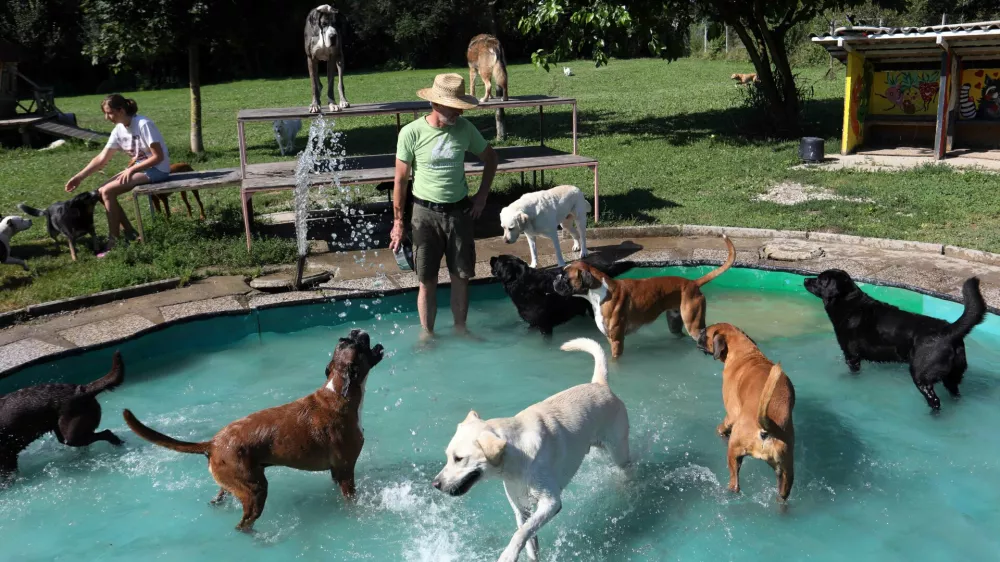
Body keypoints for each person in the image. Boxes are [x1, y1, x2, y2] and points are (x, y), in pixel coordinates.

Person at [389, 73, 499, 340]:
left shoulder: (465, 129)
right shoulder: (411, 133)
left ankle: (461, 330)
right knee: (426, 280)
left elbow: (491, 158)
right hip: (424, 215)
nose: (460, 112)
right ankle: (427, 336)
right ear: (436, 104)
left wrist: (482, 196)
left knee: (461, 276)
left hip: (459, 212)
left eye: (461, 106)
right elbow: (400, 180)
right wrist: (398, 222)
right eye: (454, 107)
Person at [65, 94, 172, 256]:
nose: (106, 117)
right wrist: (79, 177)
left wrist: (132, 170)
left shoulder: (143, 124)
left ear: (121, 110)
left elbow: (158, 157)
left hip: (158, 169)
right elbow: (101, 159)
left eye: (109, 113)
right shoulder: (118, 130)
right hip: (139, 169)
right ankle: (130, 233)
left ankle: (113, 242)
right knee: (100, 191)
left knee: (108, 191)